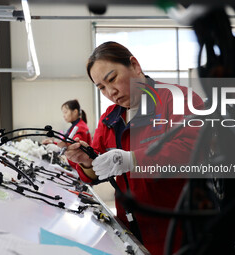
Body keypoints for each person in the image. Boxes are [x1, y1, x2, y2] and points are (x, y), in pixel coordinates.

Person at [58, 42, 203, 255]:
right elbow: (96, 164)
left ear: (134, 65)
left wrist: (133, 159)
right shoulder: (110, 117)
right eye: (101, 88)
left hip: (178, 229)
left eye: (112, 79)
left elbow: (192, 150)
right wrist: (86, 161)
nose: (111, 92)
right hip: (131, 229)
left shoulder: (178, 99)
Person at [43, 99, 92, 169]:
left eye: (65, 112)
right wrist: (53, 142)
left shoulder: (80, 127)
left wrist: (57, 147)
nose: (64, 115)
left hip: (78, 166)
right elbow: (66, 143)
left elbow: (74, 147)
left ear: (75, 112)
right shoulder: (75, 126)